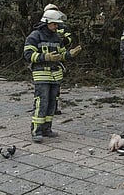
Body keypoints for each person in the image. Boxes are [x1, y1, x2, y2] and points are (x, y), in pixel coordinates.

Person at [24, 9, 82, 143]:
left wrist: (69, 54)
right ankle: (36, 131)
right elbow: (27, 55)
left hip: (55, 74)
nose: (57, 27)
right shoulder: (35, 36)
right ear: (47, 22)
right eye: (55, 24)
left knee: (51, 103)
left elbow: (60, 55)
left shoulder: (56, 37)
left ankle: (46, 129)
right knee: (41, 102)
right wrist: (45, 57)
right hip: (42, 74)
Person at [43, 4, 73, 115]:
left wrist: (61, 41)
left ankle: (54, 107)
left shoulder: (62, 26)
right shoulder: (42, 29)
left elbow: (69, 39)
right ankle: (44, 106)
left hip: (60, 56)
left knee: (56, 85)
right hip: (45, 60)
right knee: (44, 87)